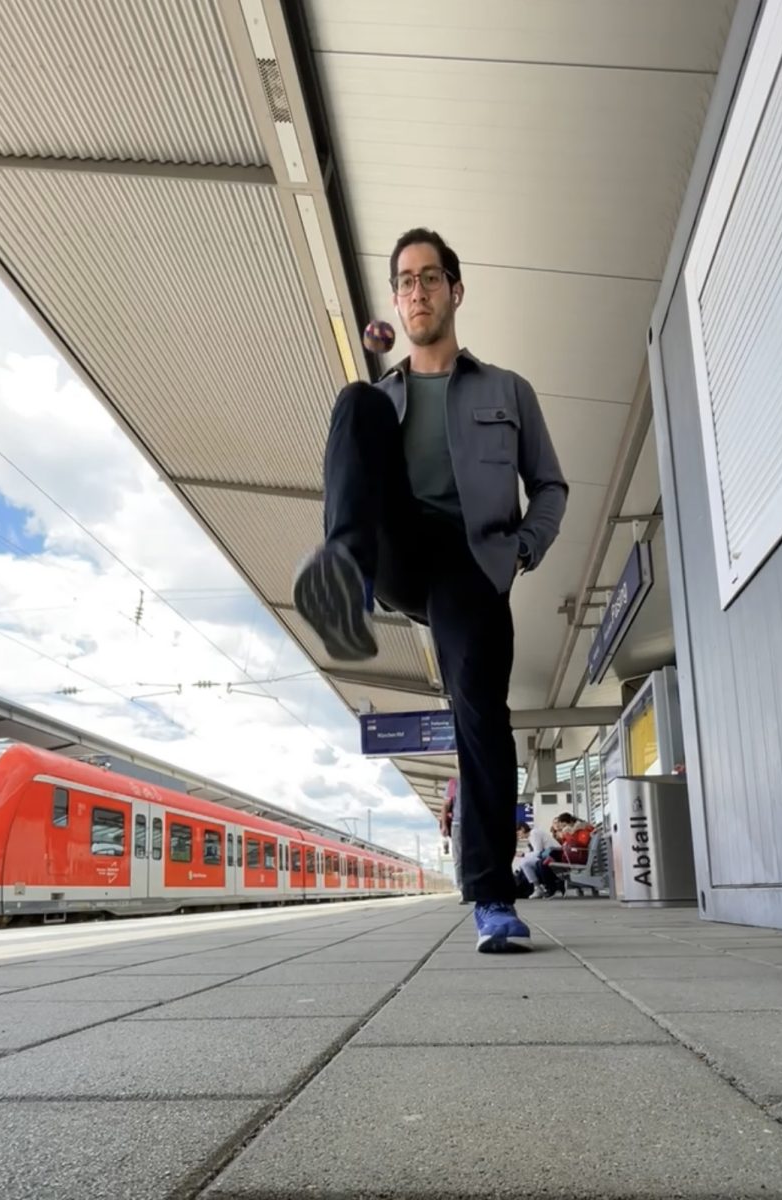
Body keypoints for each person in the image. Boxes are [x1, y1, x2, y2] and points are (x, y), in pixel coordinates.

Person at [294, 228, 567, 953]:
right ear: (397, 299)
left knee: (479, 710)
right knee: (352, 398)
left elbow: (549, 485)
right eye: (405, 281)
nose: (417, 291)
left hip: (471, 565)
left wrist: (523, 550)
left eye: (429, 278)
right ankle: (343, 573)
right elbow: (358, 462)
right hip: (396, 546)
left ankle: (491, 897)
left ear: (454, 290)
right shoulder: (384, 398)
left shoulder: (507, 389)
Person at [516, 820, 560, 899]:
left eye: (518, 833)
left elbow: (537, 852)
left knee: (525, 862)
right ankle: (537, 887)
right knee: (524, 862)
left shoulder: (534, 834)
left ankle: (538, 887)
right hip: (548, 854)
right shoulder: (532, 835)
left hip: (554, 854)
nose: (518, 836)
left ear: (522, 829)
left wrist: (523, 854)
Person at [440, 776, 465, 897]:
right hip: (458, 824)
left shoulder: (478, 778)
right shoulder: (454, 783)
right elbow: (445, 805)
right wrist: (444, 825)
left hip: (477, 824)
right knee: (459, 858)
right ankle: (463, 890)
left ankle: (477, 887)